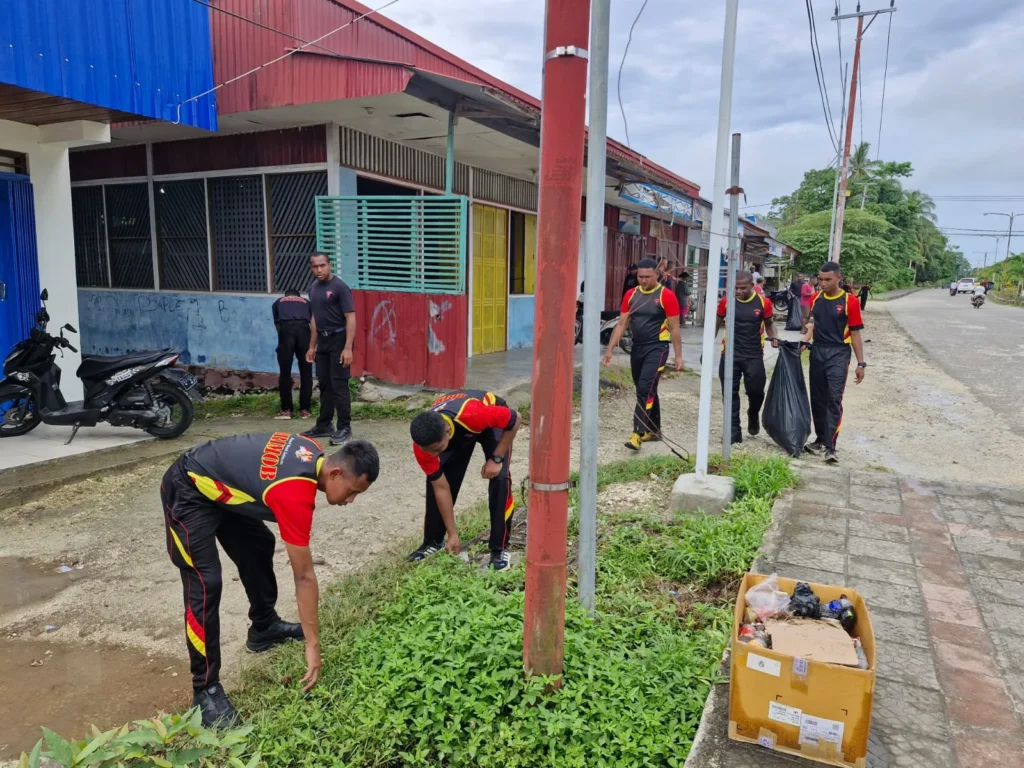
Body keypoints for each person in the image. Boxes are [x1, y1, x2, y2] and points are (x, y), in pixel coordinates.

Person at [161, 434, 379, 726]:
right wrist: (312, 645)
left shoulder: (311, 450)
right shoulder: (294, 493)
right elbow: (303, 577)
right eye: (352, 491)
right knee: (205, 582)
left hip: (223, 488)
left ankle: (264, 626)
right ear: (335, 473)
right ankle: (205, 690)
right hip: (187, 486)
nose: (350, 500)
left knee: (258, 545)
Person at [408, 390, 521, 570]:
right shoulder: (423, 446)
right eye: (428, 451)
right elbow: (441, 487)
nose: (432, 455)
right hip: (460, 429)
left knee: (500, 478)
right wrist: (453, 534)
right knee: (437, 479)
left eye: (437, 449)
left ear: (447, 432)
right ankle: (433, 541)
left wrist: (497, 458)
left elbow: (516, 419)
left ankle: (499, 549)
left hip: (486, 421)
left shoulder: (474, 413)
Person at [603, 257, 684, 451]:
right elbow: (622, 323)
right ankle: (654, 430)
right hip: (637, 348)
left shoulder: (666, 295)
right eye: (640, 276)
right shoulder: (631, 295)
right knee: (646, 388)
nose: (644, 280)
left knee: (644, 389)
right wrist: (610, 348)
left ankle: (637, 434)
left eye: (648, 276)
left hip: (658, 347)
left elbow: (674, 329)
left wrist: (679, 356)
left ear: (657, 274)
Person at [802, 262, 867, 464]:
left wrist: (861, 363)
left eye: (828, 279)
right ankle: (820, 439)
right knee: (818, 398)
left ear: (839, 278)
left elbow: (855, 333)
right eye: (820, 279)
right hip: (817, 352)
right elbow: (814, 325)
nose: (823, 283)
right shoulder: (816, 299)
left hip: (839, 353)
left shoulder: (850, 301)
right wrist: (804, 342)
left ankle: (831, 447)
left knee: (833, 399)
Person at [716, 272, 778, 444]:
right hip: (729, 354)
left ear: (752, 286)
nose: (738, 291)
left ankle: (753, 413)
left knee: (756, 391)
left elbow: (770, 323)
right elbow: (717, 322)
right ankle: (733, 431)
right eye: (735, 288)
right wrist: (706, 348)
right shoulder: (726, 302)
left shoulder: (763, 303)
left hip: (753, 354)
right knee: (729, 393)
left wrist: (774, 337)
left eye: (743, 288)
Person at [303, 254, 356, 445]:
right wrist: (312, 346)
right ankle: (324, 425)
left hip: (340, 339)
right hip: (323, 341)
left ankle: (344, 427)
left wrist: (348, 348)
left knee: (339, 384)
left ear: (330, 265)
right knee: (324, 384)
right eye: (315, 267)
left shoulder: (340, 287)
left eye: (323, 266)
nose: (319, 270)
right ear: (311, 268)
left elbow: (350, 317)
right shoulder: (313, 288)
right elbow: (315, 319)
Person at [271, 289, 313, 420]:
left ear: (286, 296)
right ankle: (305, 410)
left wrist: (284, 338)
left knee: (285, 373)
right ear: (298, 296)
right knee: (306, 372)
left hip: (286, 330)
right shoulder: (307, 302)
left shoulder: (278, 302)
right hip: (304, 331)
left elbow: (277, 325)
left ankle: (286, 410)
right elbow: (313, 323)